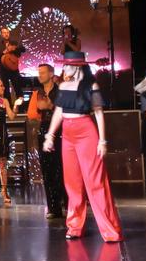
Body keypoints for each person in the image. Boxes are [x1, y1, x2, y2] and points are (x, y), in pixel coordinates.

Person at [43, 52, 122, 242]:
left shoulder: (91, 85)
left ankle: (110, 230)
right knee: (72, 182)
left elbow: (99, 113)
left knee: (95, 182)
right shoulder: (63, 86)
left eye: (67, 65)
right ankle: (74, 227)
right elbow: (59, 112)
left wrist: (102, 141)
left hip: (86, 132)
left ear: (77, 66)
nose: (64, 69)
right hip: (68, 134)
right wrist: (50, 136)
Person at [27, 64, 67, 219]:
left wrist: (49, 105)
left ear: (51, 74)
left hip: (60, 130)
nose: (40, 75)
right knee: (47, 170)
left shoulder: (60, 90)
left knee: (61, 169)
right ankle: (53, 207)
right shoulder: (38, 93)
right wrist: (44, 106)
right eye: (39, 72)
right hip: (44, 129)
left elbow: (60, 108)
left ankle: (67, 204)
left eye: (43, 72)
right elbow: (33, 112)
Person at [0, 27, 26, 102]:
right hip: (3, 70)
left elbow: (23, 49)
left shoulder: (14, 43)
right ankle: (8, 106)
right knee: (5, 90)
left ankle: (20, 106)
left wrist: (15, 49)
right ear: (1, 34)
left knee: (18, 88)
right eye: (4, 33)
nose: (6, 34)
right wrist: (4, 52)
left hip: (14, 69)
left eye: (7, 32)